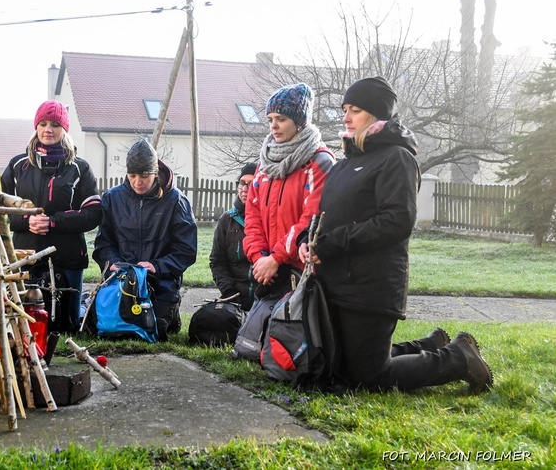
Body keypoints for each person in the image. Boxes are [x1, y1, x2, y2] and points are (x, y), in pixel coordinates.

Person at [298, 76, 494, 393]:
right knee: (342, 369)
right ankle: (431, 344)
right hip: (336, 281)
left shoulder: (397, 159)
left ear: (377, 115)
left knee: (368, 378)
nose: (345, 117)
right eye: (345, 109)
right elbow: (322, 216)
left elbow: (396, 221)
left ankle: (458, 357)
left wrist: (333, 243)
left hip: (371, 285)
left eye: (355, 110)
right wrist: (307, 242)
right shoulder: (344, 164)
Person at [1, 100, 102, 333]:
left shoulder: (80, 168)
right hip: (24, 256)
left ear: (64, 129)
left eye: (55, 124)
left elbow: (94, 212)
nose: (48, 129)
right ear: (36, 127)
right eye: (43, 123)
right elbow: (0, 211)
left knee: (65, 326)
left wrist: (53, 222)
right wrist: (27, 221)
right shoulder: (18, 166)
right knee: (24, 323)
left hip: (67, 258)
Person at [92, 137, 197, 340]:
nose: (137, 182)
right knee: (106, 328)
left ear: (155, 173)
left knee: (152, 330)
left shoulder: (176, 201)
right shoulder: (113, 198)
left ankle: (171, 313)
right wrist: (112, 263)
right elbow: (103, 243)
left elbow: (186, 250)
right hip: (120, 281)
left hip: (160, 283)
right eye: (132, 175)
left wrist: (157, 266)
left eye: (144, 176)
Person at [244, 83, 335, 298]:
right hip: (269, 272)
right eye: (270, 120)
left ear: (300, 122)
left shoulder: (320, 162)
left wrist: (276, 258)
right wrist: (260, 259)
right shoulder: (264, 164)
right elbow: (252, 218)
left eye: (281, 119)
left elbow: (311, 219)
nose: (273, 126)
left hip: (304, 272)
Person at [209, 162, 257, 311]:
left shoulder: (270, 220)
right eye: (242, 184)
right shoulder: (226, 220)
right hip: (233, 295)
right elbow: (217, 262)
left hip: (264, 296)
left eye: (251, 184)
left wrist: (261, 294)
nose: (244, 190)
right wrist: (229, 292)